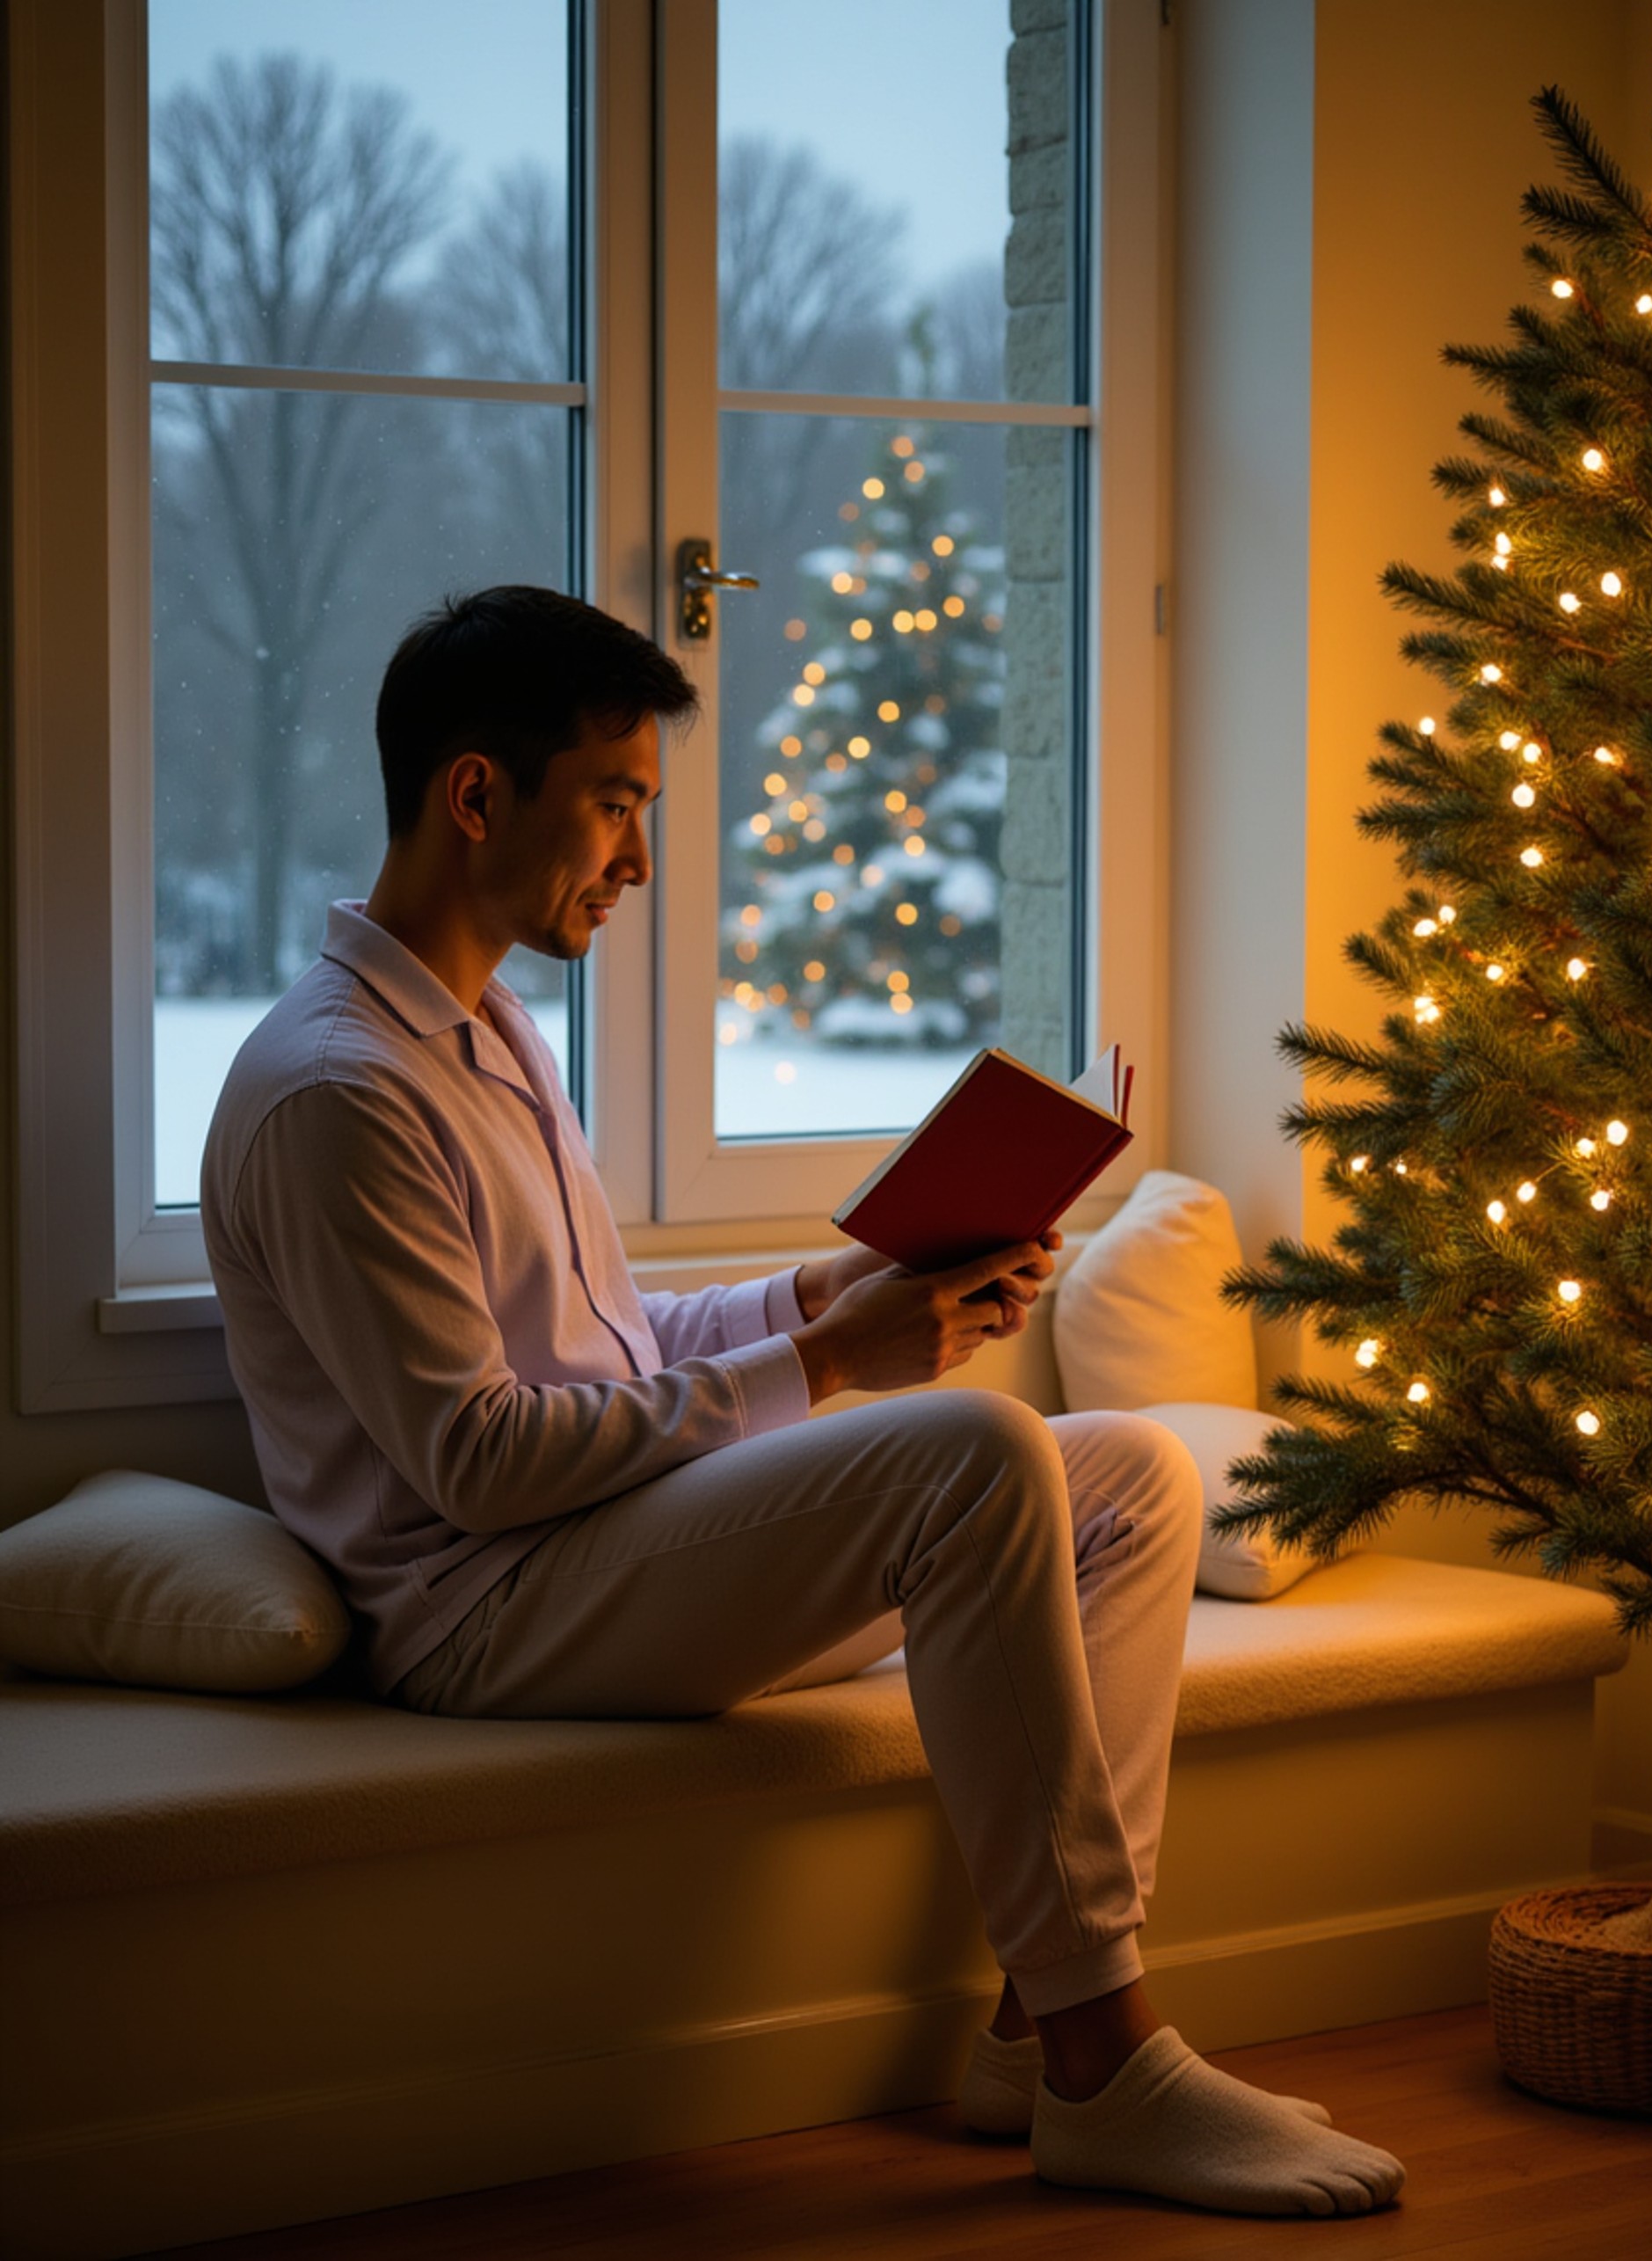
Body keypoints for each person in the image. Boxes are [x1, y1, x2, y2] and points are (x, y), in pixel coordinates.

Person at [202, 586, 1405, 2221]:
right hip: (482, 1611)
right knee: (975, 1456)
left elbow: (602, 1345)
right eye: (616, 806)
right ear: (478, 794)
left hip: (603, 1545)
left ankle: (1023, 2037)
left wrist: (816, 1299)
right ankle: (1108, 2058)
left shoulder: (486, 1030)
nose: (639, 859)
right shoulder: (338, 1092)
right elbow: (480, 1461)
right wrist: (838, 1365)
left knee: (1126, 1477)